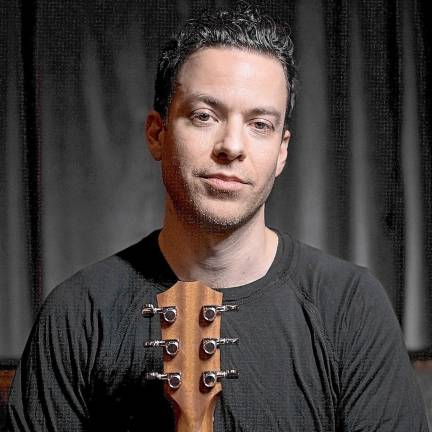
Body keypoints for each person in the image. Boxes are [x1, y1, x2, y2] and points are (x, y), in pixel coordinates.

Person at [7, 2, 429, 431]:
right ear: (157, 134)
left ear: (281, 151)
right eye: (204, 116)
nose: (231, 146)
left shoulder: (350, 308)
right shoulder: (78, 314)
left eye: (259, 124)